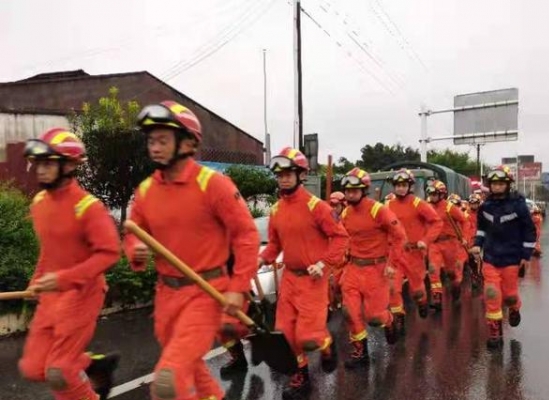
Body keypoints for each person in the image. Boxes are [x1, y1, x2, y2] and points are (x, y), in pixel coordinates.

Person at [124, 101, 260, 400]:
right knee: (191, 370)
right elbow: (134, 231)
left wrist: (238, 288)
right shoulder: (145, 190)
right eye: (151, 140)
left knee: (167, 382)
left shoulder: (213, 184)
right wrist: (136, 249)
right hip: (166, 296)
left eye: (162, 140)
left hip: (206, 293)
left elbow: (246, 235)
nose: (154, 147)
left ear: (187, 142)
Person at [19, 128, 121, 400]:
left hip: (82, 294)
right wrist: (37, 279)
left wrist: (65, 278)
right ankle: (94, 365)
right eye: (37, 163)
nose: (39, 169)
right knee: (32, 368)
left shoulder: (88, 207)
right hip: (52, 296)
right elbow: (50, 250)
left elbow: (110, 253)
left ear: (70, 165)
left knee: (59, 372)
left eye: (48, 163)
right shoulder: (39, 202)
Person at [259, 147, 349, 399]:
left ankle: (327, 345)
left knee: (308, 337)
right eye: (279, 174)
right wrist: (261, 258)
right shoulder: (276, 210)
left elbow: (340, 238)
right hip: (289, 279)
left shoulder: (317, 207)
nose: (283, 178)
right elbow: (275, 245)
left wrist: (324, 263)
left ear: (301, 175)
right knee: (286, 335)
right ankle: (301, 374)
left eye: (288, 173)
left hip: (313, 280)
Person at [340, 167, 407, 368]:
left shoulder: (378, 210)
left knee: (374, 317)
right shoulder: (345, 212)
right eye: (347, 190)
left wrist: (392, 264)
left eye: (354, 190)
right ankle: (360, 351)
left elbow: (400, 236)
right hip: (352, 269)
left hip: (377, 270)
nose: (350, 194)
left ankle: (389, 321)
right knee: (349, 312)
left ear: (364, 190)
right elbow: (342, 239)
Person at [471, 166, 537, 349]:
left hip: (512, 259)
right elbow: (481, 229)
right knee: (491, 294)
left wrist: (525, 256)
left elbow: (529, 231)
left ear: (507, 184)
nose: (497, 187)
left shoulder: (518, 205)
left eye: (501, 183)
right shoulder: (485, 207)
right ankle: (495, 334)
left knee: (509, 296)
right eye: (494, 184)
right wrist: (477, 244)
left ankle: (514, 308)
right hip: (491, 258)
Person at [385, 168, 442, 322]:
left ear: (410, 186)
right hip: (395, 253)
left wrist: (426, 240)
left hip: (414, 253)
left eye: (404, 185)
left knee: (417, 290)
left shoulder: (419, 203)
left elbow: (436, 222)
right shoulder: (388, 205)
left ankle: (422, 302)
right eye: (397, 185)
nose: (400, 188)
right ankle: (399, 317)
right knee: (392, 288)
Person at [426, 181, 469, 310]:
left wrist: (465, 238)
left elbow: (464, 221)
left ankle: (456, 286)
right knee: (433, 269)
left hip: (450, 243)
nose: (432, 196)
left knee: (451, 273)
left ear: (442, 194)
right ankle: (437, 296)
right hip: (434, 244)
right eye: (430, 194)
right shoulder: (427, 207)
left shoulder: (449, 207)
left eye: (434, 194)